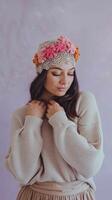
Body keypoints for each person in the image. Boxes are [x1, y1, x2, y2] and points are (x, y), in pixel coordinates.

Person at [4, 35, 104, 200]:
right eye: (56, 73)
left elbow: (90, 166)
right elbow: (22, 174)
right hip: (34, 196)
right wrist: (32, 123)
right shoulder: (23, 115)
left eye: (71, 73)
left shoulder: (83, 102)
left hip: (77, 195)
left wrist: (60, 121)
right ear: (42, 74)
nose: (65, 81)